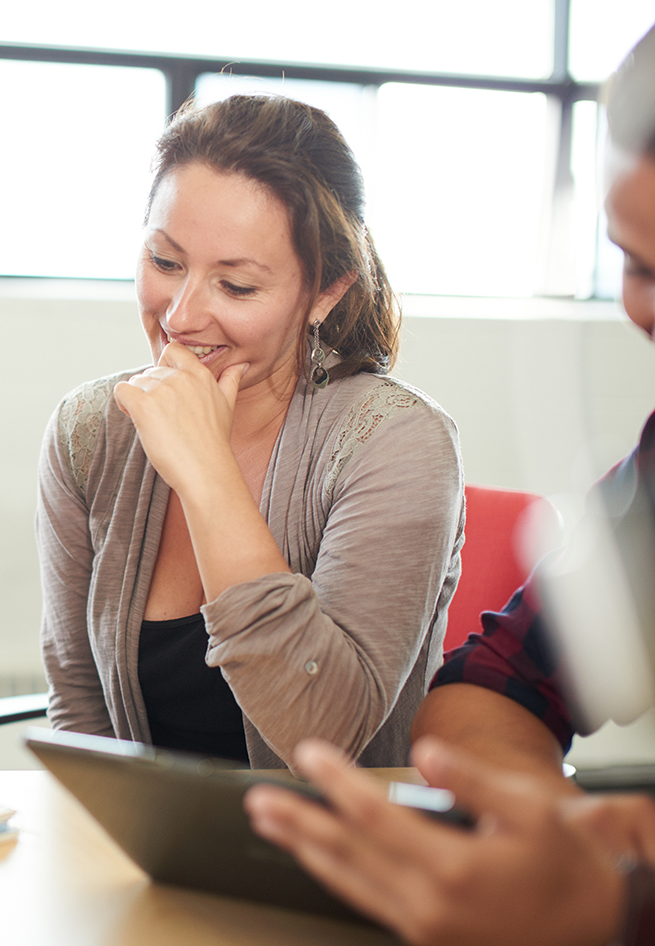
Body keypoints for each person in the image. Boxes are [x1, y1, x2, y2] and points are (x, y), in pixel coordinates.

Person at [244, 24, 655, 946]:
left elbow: (320, 716)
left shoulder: (394, 438)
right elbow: (492, 692)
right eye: (634, 266)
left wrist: (622, 907)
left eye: (236, 281)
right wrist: (562, 838)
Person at [39, 94, 464, 769]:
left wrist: (208, 480)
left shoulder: (396, 442)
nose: (179, 316)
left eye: (234, 286)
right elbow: (79, 704)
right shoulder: (91, 431)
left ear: (324, 292)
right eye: (165, 262)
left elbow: (321, 738)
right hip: (146, 854)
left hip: (331, 859)